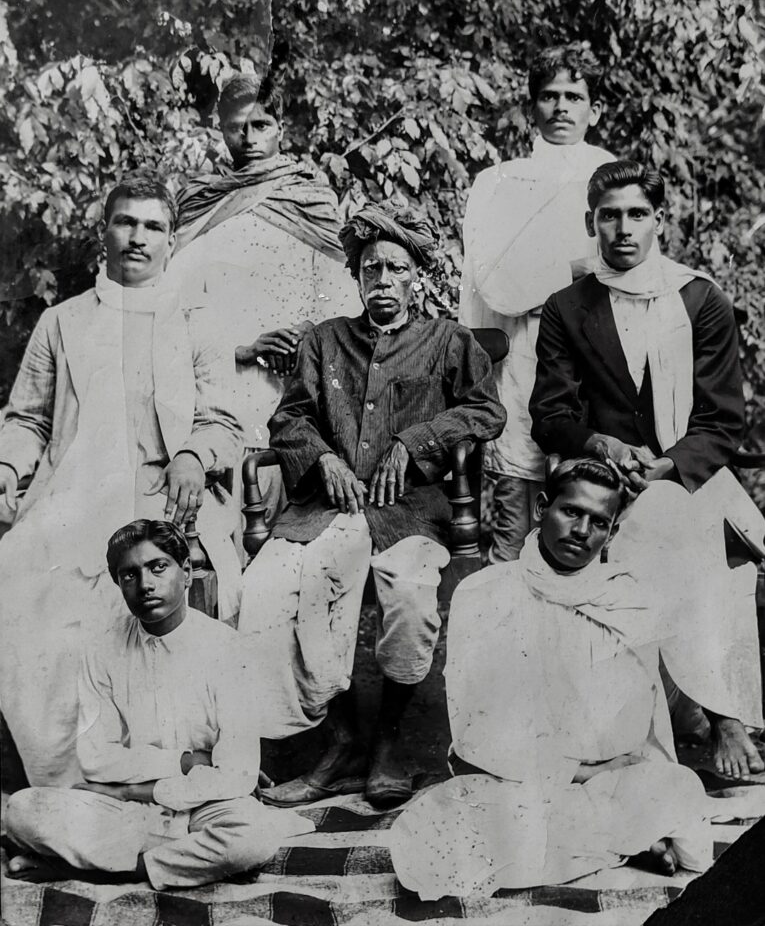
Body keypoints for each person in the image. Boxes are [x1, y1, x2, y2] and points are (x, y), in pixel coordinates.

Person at [389, 458, 762, 899]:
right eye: (571, 512)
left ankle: (597, 844)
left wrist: (612, 770)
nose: (582, 530)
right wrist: (583, 771)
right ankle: (620, 845)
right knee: (436, 840)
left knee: (678, 790)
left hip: (610, 781)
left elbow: (635, 726)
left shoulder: (625, 598)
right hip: (518, 782)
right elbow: (477, 734)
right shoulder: (485, 593)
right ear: (541, 508)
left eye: (599, 522)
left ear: (612, 533)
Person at [237, 203, 506, 809]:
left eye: (396, 269)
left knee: (409, 595)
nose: (383, 281)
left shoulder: (448, 341)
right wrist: (321, 460)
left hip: (409, 513)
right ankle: (342, 742)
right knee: (267, 587)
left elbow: (487, 411)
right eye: (371, 270)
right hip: (326, 510)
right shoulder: (325, 341)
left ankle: (387, 739)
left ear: (416, 277)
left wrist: (415, 441)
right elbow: (290, 418)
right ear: (357, 277)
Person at [0, 172, 243, 788]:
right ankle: (63, 780)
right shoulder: (62, 322)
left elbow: (223, 419)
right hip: (74, 496)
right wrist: (8, 463)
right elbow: (26, 418)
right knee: (20, 578)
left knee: (138, 588)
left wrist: (194, 454)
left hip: (169, 501)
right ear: (103, 231)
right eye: (125, 222)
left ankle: (153, 774)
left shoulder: (197, 321)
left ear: (171, 240)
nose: (138, 237)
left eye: (153, 226)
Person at [529, 158, 765, 779]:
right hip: (597, 476)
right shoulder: (567, 306)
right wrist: (603, 446)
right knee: (656, 525)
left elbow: (722, 420)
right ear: (591, 223)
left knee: (674, 520)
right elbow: (550, 414)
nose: (623, 229)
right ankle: (664, 726)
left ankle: (720, 714)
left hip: (684, 473)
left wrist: (667, 467)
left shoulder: (700, 299)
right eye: (609, 216)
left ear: (660, 220)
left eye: (637, 214)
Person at [5, 520, 313, 889]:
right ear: (118, 583)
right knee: (22, 809)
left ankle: (85, 869)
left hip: (204, 805)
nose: (145, 584)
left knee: (253, 835)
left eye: (158, 567)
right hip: (129, 810)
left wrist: (129, 789)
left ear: (186, 572)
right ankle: (184, 860)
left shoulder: (228, 649)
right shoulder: (101, 651)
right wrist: (185, 762)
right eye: (129, 574)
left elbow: (237, 776)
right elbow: (96, 758)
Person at [167, 73, 359, 523]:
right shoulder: (201, 202)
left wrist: (308, 335)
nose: (249, 138)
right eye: (237, 127)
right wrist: (242, 348)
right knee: (225, 524)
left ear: (281, 128)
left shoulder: (310, 198)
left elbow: (345, 304)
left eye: (261, 125)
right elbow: (172, 310)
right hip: (221, 392)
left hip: (301, 393)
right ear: (221, 130)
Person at [459, 42, 614, 562]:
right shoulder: (499, 182)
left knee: (591, 513)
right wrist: (570, 270)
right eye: (550, 95)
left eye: (575, 96)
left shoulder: (613, 177)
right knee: (515, 525)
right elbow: (490, 280)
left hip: (597, 364)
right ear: (532, 107)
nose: (562, 107)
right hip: (524, 359)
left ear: (595, 109)